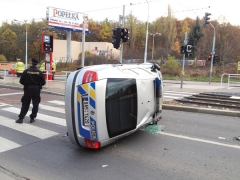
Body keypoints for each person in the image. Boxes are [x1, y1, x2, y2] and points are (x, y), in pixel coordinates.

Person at [16, 58, 46, 124]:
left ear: (31, 63)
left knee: (25, 103)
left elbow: (21, 81)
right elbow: (43, 82)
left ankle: (21, 118)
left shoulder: (26, 71)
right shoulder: (39, 72)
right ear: (37, 64)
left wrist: (27, 84)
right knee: (35, 104)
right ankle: (32, 118)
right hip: (36, 89)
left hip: (28, 89)